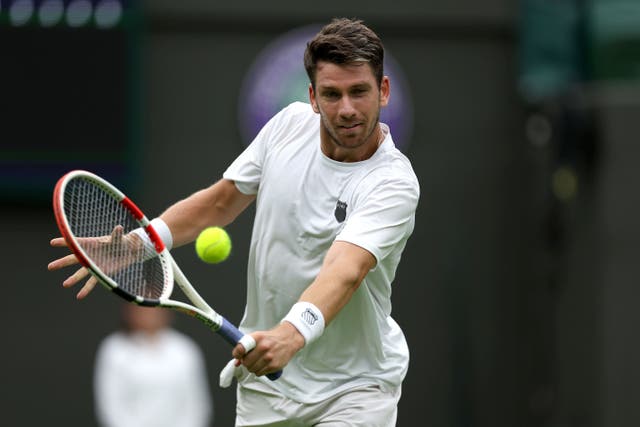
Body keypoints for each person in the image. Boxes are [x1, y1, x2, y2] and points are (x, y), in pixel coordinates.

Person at [49, 17, 420, 426]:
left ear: (383, 91)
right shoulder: (285, 127)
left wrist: (291, 334)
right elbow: (220, 202)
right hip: (268, 387)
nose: (347, 108)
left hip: (355, 389)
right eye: (332, 94)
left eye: (359, 92)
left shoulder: (393, 183)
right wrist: (141, 243)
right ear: (313, 97)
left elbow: (345, 270)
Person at [93, 303, 213, 427]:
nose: (150, 313)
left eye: (154, 307)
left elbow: (197, 406)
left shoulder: (185, 349)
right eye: (142, 307)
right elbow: (111, 407)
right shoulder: (114, 350)